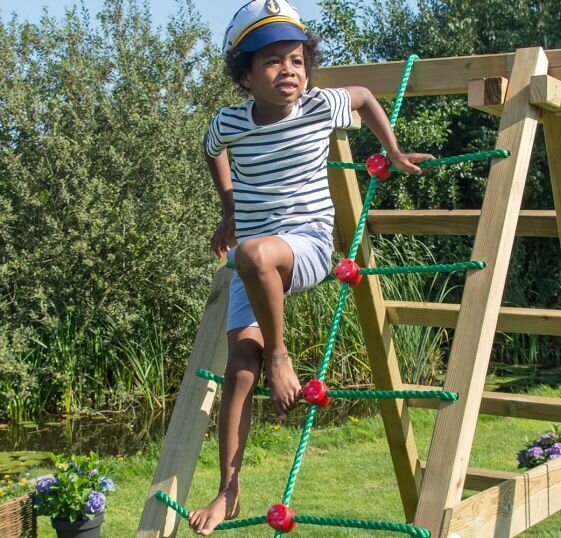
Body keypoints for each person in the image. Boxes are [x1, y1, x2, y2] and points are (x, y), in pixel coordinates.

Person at [187, 0, 434, 534]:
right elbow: (212, 149)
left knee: (251, 257)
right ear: (246, 75)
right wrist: (229, 207)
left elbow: (365, 97)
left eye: (297, 60)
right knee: (238, 370)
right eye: (273, 61)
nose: (289, 71)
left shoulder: (319, 107)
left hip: (308, 245)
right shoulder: (230, 122)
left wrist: (390, 152)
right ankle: (228, 489)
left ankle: (281, 356)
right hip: (257, 257)